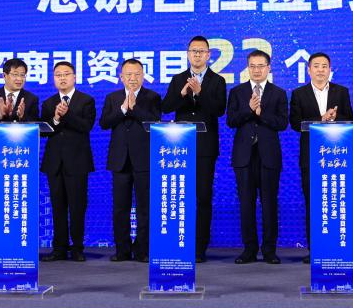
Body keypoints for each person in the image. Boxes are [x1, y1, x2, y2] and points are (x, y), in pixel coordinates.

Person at [161, 36, 227, 263]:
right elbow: (165, 107)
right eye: (193, 51)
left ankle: (199, 247)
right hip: (179, 146)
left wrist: (200, 92)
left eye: (201, 51)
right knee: (181, 196)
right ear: (188, 54)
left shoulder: (217, 81)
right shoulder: (178, 78)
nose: (197, 55)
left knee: (203, 196)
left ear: (209, 55)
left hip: (205, 147)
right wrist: (181, 94)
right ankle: (179, 243)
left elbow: (219, 110)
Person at [289, 52, 353, 260]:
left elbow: (350, 119)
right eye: (316, 66)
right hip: (311, 156)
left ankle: (338, 248)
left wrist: (334, 118)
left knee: (336, 201)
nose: (320, 70)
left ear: (330, 70)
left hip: (337, 156)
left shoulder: (341, 92)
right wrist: (320, 119)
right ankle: (315, 249)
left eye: (324, 66)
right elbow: (295, 123)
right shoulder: (299, 93)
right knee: (314, 202)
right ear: (309, 70)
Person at [227, 49, 289, 264]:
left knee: (269, 204)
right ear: (247, 68)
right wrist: (249, 110)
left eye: (260, 66)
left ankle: (269, 250)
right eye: (252, 66)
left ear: (268, 68)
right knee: (246, 204)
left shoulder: (278, 93)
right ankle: (249, 250)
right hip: (243, 156)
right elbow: (231, 121)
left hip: (269, 156)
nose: (256, 70)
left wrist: (261, 113)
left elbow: (282, 123)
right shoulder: (237, 92)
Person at [0, 58, 40, 262]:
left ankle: (19, 246)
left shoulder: (31, 99)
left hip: (21, 158)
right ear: (5, 75)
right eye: (15, 74)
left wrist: (22, 118)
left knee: (19, 203)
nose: (19, 78)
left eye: (23, 75)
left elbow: (35, 124)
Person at [99, 58, 161, 262]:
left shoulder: (152, 97)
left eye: (137, 74)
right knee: (120, 208)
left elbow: (154, 123)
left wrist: (135, 108)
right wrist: (123, 109)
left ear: (143, 76)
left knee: (145, 208)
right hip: (119, 160)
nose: (133, 78)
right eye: (128, 74)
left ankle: (143, 250)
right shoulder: (112, 97)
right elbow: (104, 123)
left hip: (144, 160)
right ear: (121, 77)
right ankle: (122, 250)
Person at [41, 61, 96, 262]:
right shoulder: (48, 103)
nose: (62, 78)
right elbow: (44, 132)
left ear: (74, 77)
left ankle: (78, 248)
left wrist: (67, 114)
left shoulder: (86, 100)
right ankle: (59, 249)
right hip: (54, 162)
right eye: (58, 75)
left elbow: (86, 126)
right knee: (58, 207)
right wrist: (56, 118)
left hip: (77, 162)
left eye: (66, 74)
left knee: (77, 206)